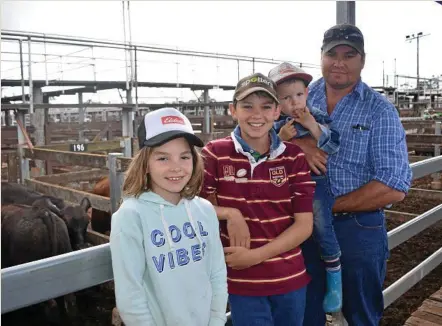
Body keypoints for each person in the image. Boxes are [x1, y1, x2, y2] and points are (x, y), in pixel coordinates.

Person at [295, 24, 412, 326]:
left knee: (360, 313)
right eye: (332, 53)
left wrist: (325, 207)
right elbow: (261, 137)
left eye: (349, 55)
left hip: (356, 228)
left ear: (362, 60)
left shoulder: (380, 110)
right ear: (320, 57)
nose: (339, 61)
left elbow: (393, 185)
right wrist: (298, 144)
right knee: (303, 311)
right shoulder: (299, 99)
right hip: (302, 228)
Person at [199, 72, 315, 326]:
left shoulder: (293, 157)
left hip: (289, 278)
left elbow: (304, 225)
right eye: (247, 106)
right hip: (242, 283)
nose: (256, 115)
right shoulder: (215, 154)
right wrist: (230, 213)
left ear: (277, 112)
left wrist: (256, 256)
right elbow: (193, 205)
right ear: (233, 110)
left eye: (266, 107)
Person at [109, 107, 228, 326]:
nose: (176, 168)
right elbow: (130, 296)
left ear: (194, 160)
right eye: (163, 158)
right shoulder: (130, 216)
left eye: (184, 157)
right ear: (145, 163)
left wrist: (217, 320)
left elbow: (217, 274)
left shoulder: (204, 210)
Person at [268, 62, 342, 313]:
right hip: (284, 187)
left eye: (299, 95)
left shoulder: (317, 116)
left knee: (321, 223)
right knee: (283, 230)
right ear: (277, 103)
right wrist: (284, 139)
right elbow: (264, 154)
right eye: (286, 98)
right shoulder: (273, 126)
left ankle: (334, 274)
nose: (294, 103)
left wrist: (311, 125)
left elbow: (332, 146)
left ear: (307, 94)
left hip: (315, 181)